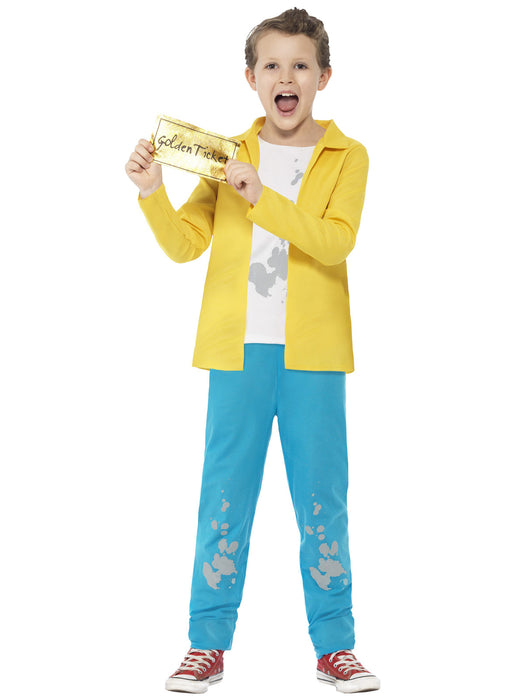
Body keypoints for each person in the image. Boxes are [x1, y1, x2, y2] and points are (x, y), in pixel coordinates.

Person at [125, 7, 379, 695]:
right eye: (271, 65)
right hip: (237, 353)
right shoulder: (224, 154)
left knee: (322, 499)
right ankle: (206, 644)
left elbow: (335, 242)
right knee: (224, 496)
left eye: (300, 65)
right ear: (250, 78)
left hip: (313, 357)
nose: (285, 77)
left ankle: (335, 646)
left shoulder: (347, 155)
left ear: (323, 77)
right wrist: (152, 193)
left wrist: (261, 196)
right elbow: (186, 245)